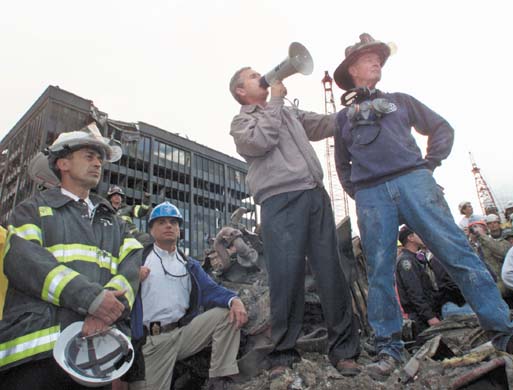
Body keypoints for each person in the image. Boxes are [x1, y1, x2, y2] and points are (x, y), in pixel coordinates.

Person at [332, 32, 513, 380]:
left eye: (378, 57)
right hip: (372, 195)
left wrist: (427, 166)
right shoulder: (343, 120)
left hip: (414, 182)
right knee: (380, 273)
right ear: (353, 68)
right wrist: (363, 193)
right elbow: (343, 166)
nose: (377, 61)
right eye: (369, 58)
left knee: (459, 255)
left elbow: (440, 128)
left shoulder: (401, 101)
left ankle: (509, 338)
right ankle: (389, 352)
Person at [228, 67, 361, 377]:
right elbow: (261, 141)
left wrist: (353, 111)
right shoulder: (242, 121)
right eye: (252, 75)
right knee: (286, 277)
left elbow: (323, 124)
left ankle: (344, 351)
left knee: (332, 273)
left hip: (314, 195)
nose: (261, 75)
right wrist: (275, 101)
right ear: (240, 92)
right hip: (280, 200)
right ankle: (283, 355)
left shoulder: (287, 112)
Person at [0, 124, 143, 389]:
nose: (98, 163)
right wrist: (93, 299)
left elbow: (131, 271)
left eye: (100, 159)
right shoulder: (32, 210)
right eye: (89, 156)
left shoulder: (118, 224)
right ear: (63, 163)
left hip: (94, 356)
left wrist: (104, 311)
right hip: (35, 355)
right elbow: (25, 262)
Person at [128, 202, 248, 390]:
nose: (169, 226)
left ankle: (219, 378)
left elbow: (211, 290)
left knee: (226, 314)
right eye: (162, 222)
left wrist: (235, 300)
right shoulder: (139, 259)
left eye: (173, 223)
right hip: (152, 342)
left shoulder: (188, 264)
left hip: (183, 335)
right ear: (151, 230)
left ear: (179, 230)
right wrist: (131, 277)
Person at [395, 226, 470, 335]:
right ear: (410, 237)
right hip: (422, 319)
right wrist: (430, 317)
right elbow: (415, 293)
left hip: (430, 311)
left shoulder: (416, 258)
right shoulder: (407, 261)